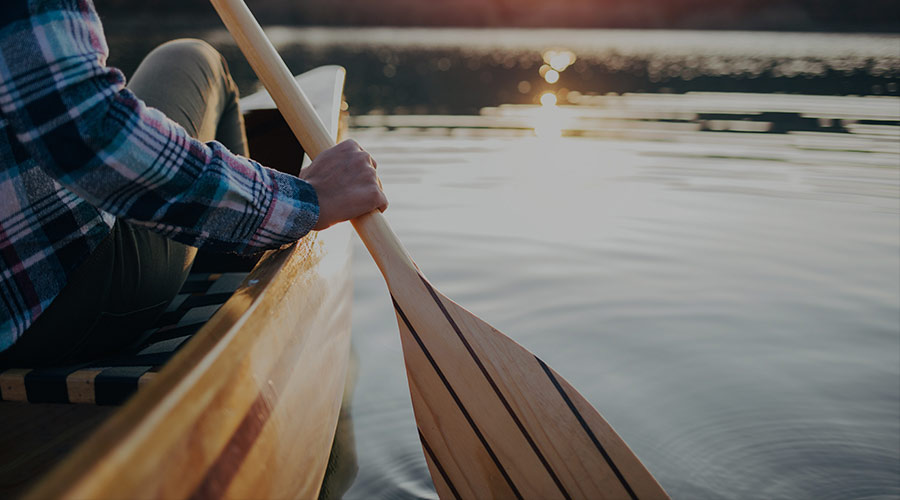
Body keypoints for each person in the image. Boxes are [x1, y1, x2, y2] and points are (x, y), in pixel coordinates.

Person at [0, 1, 387, 367]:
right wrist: (305, 201)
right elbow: (89, 134)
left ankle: (231, 230)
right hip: (55, 300)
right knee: (191, 59)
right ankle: (240, 252)